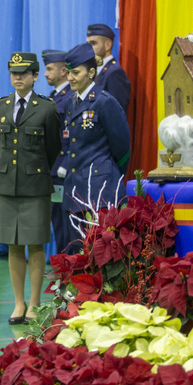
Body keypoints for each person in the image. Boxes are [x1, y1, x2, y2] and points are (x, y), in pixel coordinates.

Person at [0, 53, 61, 325]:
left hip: (36, 185)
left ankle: (34, 303)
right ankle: (18, 303)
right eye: (14, 73)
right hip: (7, 185)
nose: (18, 77)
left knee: (36, 244)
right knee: (13, 245)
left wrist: (33, 169)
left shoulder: (46, 108)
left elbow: (53, 148)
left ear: (34, 75)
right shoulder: (1, 107)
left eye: (24, 73)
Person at [61, 43, 131, 248]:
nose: (70, 78)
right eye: (68, 73)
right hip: (76, 189)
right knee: (77, 251)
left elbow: (122, 147)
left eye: (76, 72)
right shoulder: (69, 102)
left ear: (91, 72)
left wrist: (110, 175)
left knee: (102, 251)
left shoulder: (104, 102)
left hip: (100, 190)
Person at [42, 49, 74, 254]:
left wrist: (65, 164)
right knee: (57, 219)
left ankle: (69, 264)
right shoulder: (53, 97)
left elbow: (71, 134)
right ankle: (62, 263)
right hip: (53, 169)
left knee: (67, 220)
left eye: (49, 69)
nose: (46, 74)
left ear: (64, 71)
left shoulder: (70, 97)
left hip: (65, 169)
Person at [86, 24, 131, 113]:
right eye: (87, 44)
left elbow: (116, 113)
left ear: (107, 45)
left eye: (93, 43)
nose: (89, 49)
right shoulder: (94, 71)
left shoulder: (114, 73)